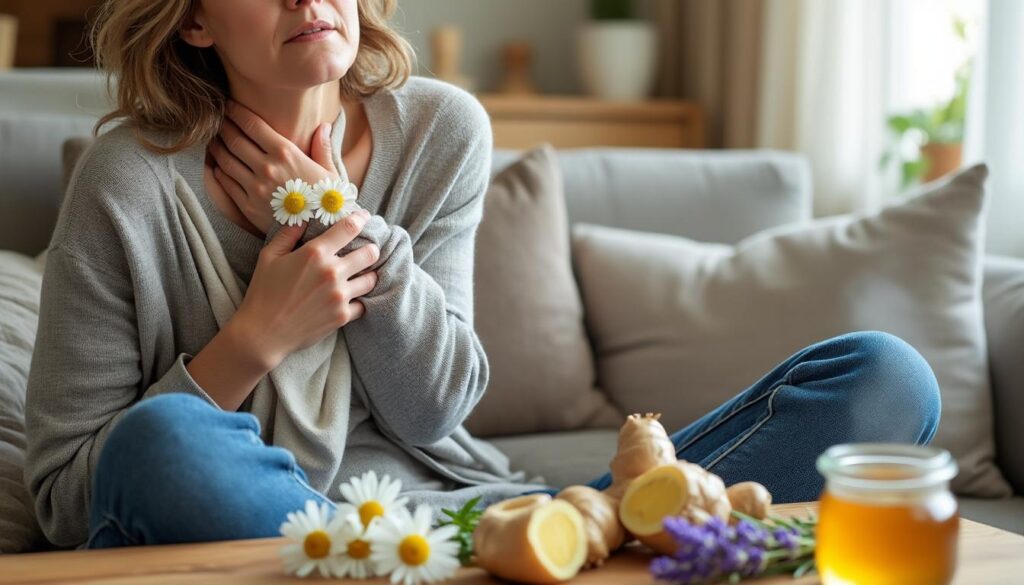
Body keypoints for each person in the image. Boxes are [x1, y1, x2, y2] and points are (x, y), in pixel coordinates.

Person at [23, 0, 941, 551]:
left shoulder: (438, 130)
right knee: (164, 445)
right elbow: (68, 496)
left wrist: (351, 227)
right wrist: (255, 339)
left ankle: (575, 537)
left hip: (467, 522)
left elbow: (435, 412)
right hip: (288, 529)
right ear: (191, 18)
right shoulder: (126, 184)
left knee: (884, 376)